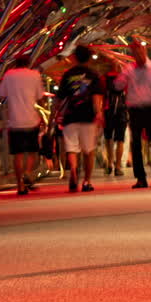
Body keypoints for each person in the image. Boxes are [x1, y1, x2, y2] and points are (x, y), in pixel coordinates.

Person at [112, 37, 151, 189]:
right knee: (135, 143)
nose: (139, 56)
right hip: (135, 110)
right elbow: (118, 86)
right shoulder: (129, 69)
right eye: (135, 54)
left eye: (140, 52)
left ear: (145, 51)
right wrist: (120, 73)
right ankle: (140, 177)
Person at [54, 45, 105, 192]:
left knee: (72, 149)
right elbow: (96, 97)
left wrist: (57, 114)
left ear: (74, 57)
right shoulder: (93, 75)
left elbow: (59, 98)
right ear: (89, 58)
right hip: (88, 116)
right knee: (89, 151)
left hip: (70, 116)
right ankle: (87, 181)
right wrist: (99, 113)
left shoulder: (67, 75)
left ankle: (74, 170)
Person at [0, 55, 44, 195]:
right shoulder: (34, 75)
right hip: (31, 118)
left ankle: (20, 185)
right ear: (28, 63)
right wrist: (42, 116)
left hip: (14, 120)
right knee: (32, 151)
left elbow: (1, 94)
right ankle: (28, 172)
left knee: (17, 154)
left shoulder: (9, 75)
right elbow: (40, 97)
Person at [102, 62, 129, 177]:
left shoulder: (104, 78)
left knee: (108, 139)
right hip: (121, 111)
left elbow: (101, 95)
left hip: (108, 111)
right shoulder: (124, 78)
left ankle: (109, 163)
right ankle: (117, 166)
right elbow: (128, 94)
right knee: (120, 140)